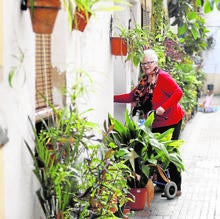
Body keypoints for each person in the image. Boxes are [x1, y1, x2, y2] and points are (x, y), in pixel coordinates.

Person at [114, 49, 184, 196]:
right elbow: (131, 96)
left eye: (149, 63)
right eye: (143, 63)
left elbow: (178, 92)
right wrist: (111, 97)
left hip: (171, 119)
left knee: (169, 153)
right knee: (156, 153)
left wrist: (163, 107)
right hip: (156, 122)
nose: (146, 66)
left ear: (156, 63)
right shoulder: (145, 82)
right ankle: (163, 183)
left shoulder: (163, 77)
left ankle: (176, 187)